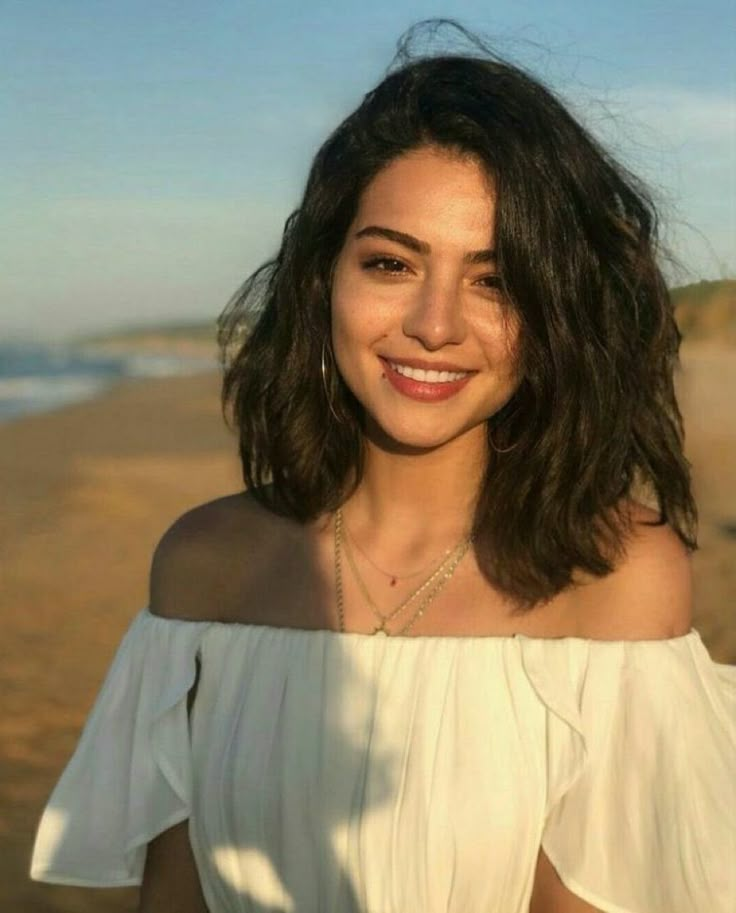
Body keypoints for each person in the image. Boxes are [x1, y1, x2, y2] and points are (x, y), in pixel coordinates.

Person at [30, 21, 735, 913]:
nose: (434, 324)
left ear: (555, 312)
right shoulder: (205, 565)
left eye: (495, 279)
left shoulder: (613, 574)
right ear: (324, 278)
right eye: (393, 262)